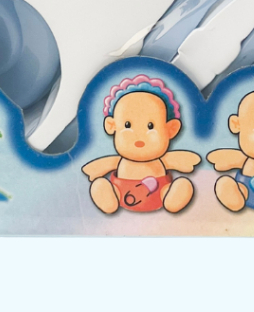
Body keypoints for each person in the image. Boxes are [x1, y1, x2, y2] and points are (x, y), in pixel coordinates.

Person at [81, 74, 200, 213]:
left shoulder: (162, 160)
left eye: (150, 126)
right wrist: (96, 170)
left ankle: (173, 199)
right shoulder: (118, 161)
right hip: (121, 191)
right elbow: (101, 165)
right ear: (111, 125)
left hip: (160, 193)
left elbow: (179, 160)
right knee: (100, 184)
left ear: (170, 129)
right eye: (127, 125)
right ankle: (108, 199)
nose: (139, 135)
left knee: (182, 183)